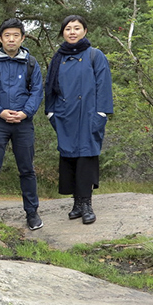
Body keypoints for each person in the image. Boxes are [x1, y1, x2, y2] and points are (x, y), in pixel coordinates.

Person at [45, 15, 113, 224]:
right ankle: (76, 203)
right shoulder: (58, 58)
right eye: (68, 28)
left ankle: (86, 204)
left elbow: (104, 86)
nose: (72, 32)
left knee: (86, 158)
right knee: (69, 158)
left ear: (85, 31)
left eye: (76, 28)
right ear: (62, 32)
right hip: (65, 115)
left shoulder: (95, 55)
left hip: (88, 114)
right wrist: (51, 113)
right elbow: (50, 89)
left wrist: (101, 114)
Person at [0, 18, 44, 230]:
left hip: (24, 124)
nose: (11, 39)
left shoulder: (31, 63)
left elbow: (37, 91)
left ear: (23, 38)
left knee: (27, 169)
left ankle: (32, 212)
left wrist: (25, 113)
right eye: (7, 35)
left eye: (16, 35)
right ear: (0, 38)